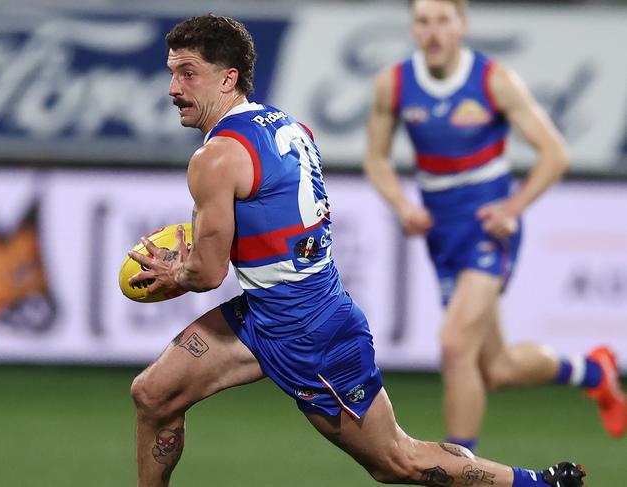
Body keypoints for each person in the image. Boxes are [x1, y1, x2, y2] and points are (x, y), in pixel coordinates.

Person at [128, 13, 587, 487]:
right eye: (171, 73)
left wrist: (175, 271)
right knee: (154, 394)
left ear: (227, 79)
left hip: (309, 331)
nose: (173, 88)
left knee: (397, 462)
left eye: (187, 73)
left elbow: (206, 274)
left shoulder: (215, 158)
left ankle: (542, 484)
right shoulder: (285, 124)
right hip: (269, 311)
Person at [364, 0, 626, 453]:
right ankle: (594, 372)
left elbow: (554, 153)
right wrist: (401, 204)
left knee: (453, 344)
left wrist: (513, 207)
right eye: (423, 22)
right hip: (441, 232)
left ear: (462, 25)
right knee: (497, 369)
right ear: (413, 29)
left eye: (443, 21)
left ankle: (461, 469)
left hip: (489, 228)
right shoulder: (395, 83)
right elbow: (376, 159)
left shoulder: (494, 80)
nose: (433, 32)